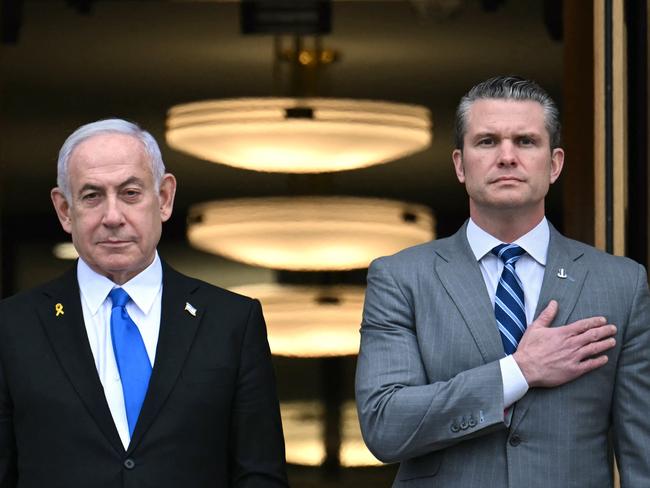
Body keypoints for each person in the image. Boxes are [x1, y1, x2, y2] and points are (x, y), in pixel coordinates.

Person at [355, 75, 650, 487]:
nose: (507, 157)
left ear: (555, 164)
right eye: (488, 141)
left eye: (526, 142)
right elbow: (385, 425)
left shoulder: (622, 284)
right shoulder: (402, 277)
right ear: (460, 164)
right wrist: (518, 371)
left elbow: (642, 452)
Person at [0, 119, 288, 487]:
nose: (113, 217)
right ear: (64, 210)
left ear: (164, 198)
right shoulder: (12, 327)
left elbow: (260, 475)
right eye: (91, 196)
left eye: (131, 193)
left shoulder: (231, 322)